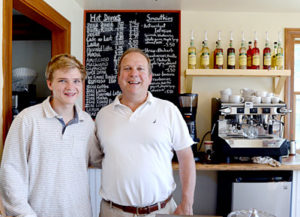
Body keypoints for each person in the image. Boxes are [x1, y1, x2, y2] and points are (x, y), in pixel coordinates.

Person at [95, 48, 196, 216]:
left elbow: (186, 158)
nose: (134, 74)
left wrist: (187, 203)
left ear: (150, 77)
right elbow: (95, 157)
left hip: (161, 211)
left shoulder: (168, 110)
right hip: (113, 212)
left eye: (140, 68)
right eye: (127, 69)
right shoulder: (103, 115)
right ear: (119, 78)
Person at [0, 54, 102, 217]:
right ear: (50, 84)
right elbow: (10, 172)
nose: (70, 87)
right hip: (37, 213)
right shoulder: (27, 120)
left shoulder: (87, 123)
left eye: (76, 81)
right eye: (63, 80)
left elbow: (99, 159)